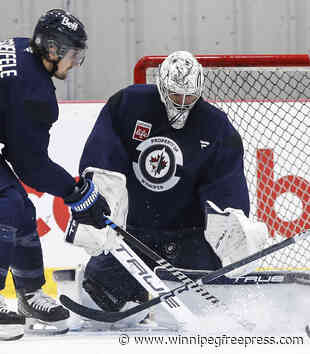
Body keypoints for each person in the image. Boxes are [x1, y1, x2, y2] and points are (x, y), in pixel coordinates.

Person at [56, 50, 268, 329]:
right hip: (132, 237)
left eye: (189, 97)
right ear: (162, 86)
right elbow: (104, 161)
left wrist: (234, 233)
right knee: (100, 304)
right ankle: (128, 297)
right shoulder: (128, 104)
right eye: (175, 95)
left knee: (206, 316)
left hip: (189, 239)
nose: (182, 104)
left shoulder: (216, 126)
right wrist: (100, 213)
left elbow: (225, 190)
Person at [0, 9, 110, 341]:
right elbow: (29, 165)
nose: (75, 62)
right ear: (52, 49)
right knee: (3, 205)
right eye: (73, 54)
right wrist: (77, 192)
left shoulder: (20, 50)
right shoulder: (34, 90)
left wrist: (74, 191)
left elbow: (19, 153)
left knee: (20, 207)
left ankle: (28, 294)